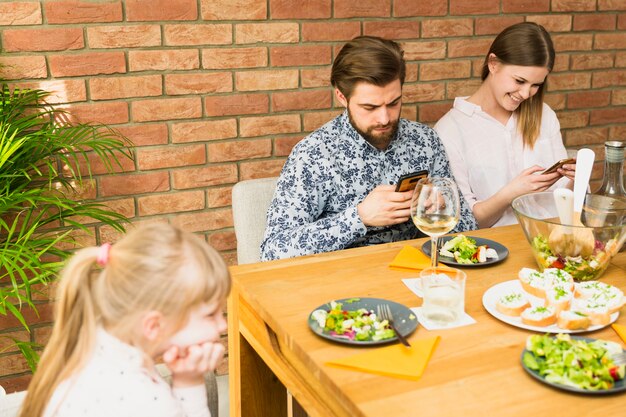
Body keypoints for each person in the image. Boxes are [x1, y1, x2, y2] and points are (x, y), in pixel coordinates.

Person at [261, 36, 477, 261]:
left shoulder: (424, 140)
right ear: (342, 97)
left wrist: (440, 209)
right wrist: (359, 217)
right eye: (369, 107)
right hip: (344, 284)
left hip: (418, 276)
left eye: (393, 103)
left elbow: (470, 230)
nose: (384, 118)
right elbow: (274, 249)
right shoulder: (314, 154)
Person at [19, 223, 230, 417]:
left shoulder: (92, 345)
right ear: (154, 325)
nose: (223, 325)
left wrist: (186, 378)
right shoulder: (146, 401)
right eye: (211, 315)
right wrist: (190, 383)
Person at [435, 22, 575, 229]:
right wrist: (512, 193)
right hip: (493, 249)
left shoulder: (544, 115)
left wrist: (576, 179)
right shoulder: (450, 131)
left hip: (552, 237)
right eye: (519, 81)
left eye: (536, 85)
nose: (526, 94)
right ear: (493, 64)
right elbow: (465, 223)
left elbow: (564, 202)